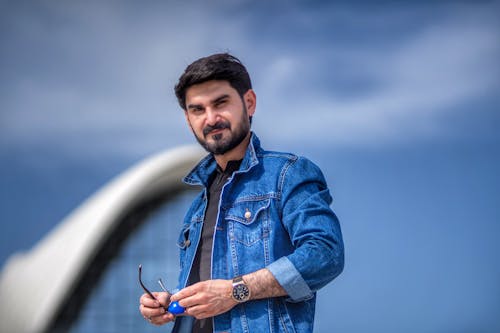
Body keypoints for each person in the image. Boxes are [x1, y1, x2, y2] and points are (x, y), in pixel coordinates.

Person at [139, 53, 344, 333]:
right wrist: (173, 302)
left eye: (220, 103)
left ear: (249, 103)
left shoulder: (287, 174)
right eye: (197, 109)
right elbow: (211, 288)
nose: (211, 118)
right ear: (188, 119)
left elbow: (325, 253)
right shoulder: (197, 207)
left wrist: (234, 292)